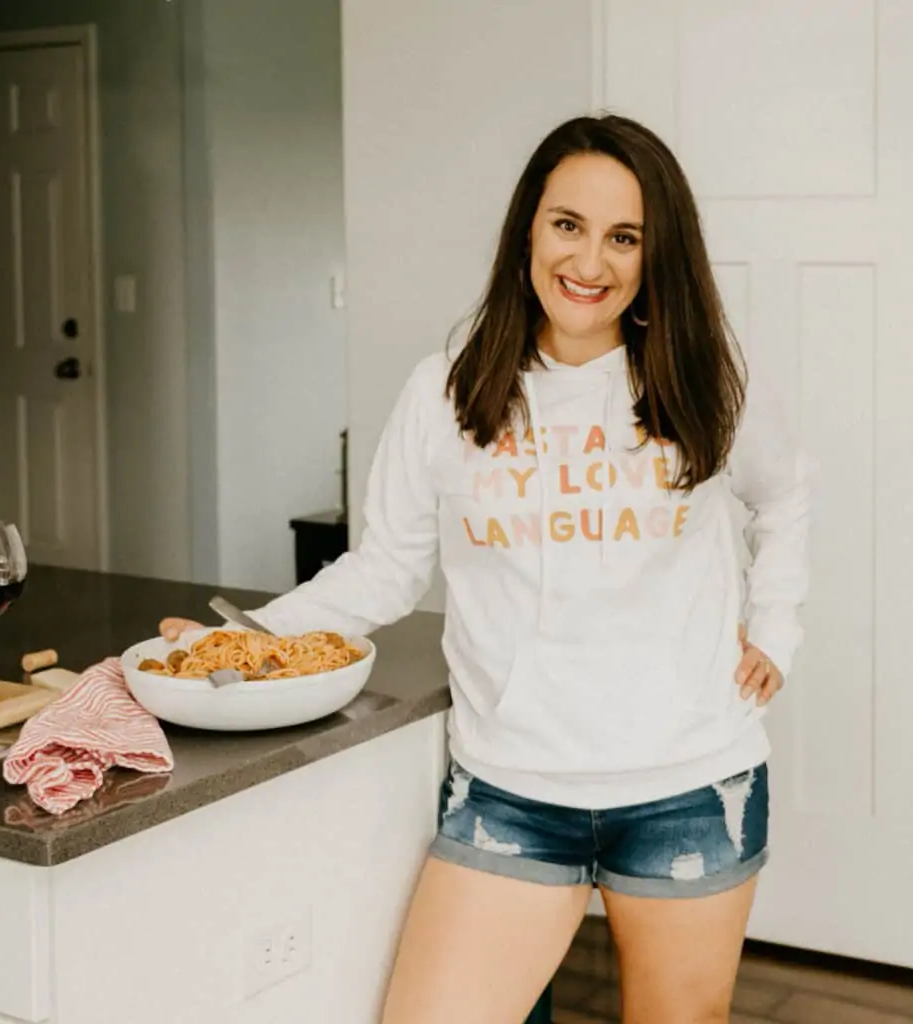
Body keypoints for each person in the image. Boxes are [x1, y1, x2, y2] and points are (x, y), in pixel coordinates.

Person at [162, 114, 810, 1024]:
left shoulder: (706, 377)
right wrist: (249, 640)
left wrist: (776, 629)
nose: (590, 261)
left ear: (655, 255)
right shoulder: (448, 389)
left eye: (624, 236)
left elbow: (782, 496)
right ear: (528, 232)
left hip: (689, 785)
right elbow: (384, 569)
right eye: (567, 225)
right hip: (514, 787)